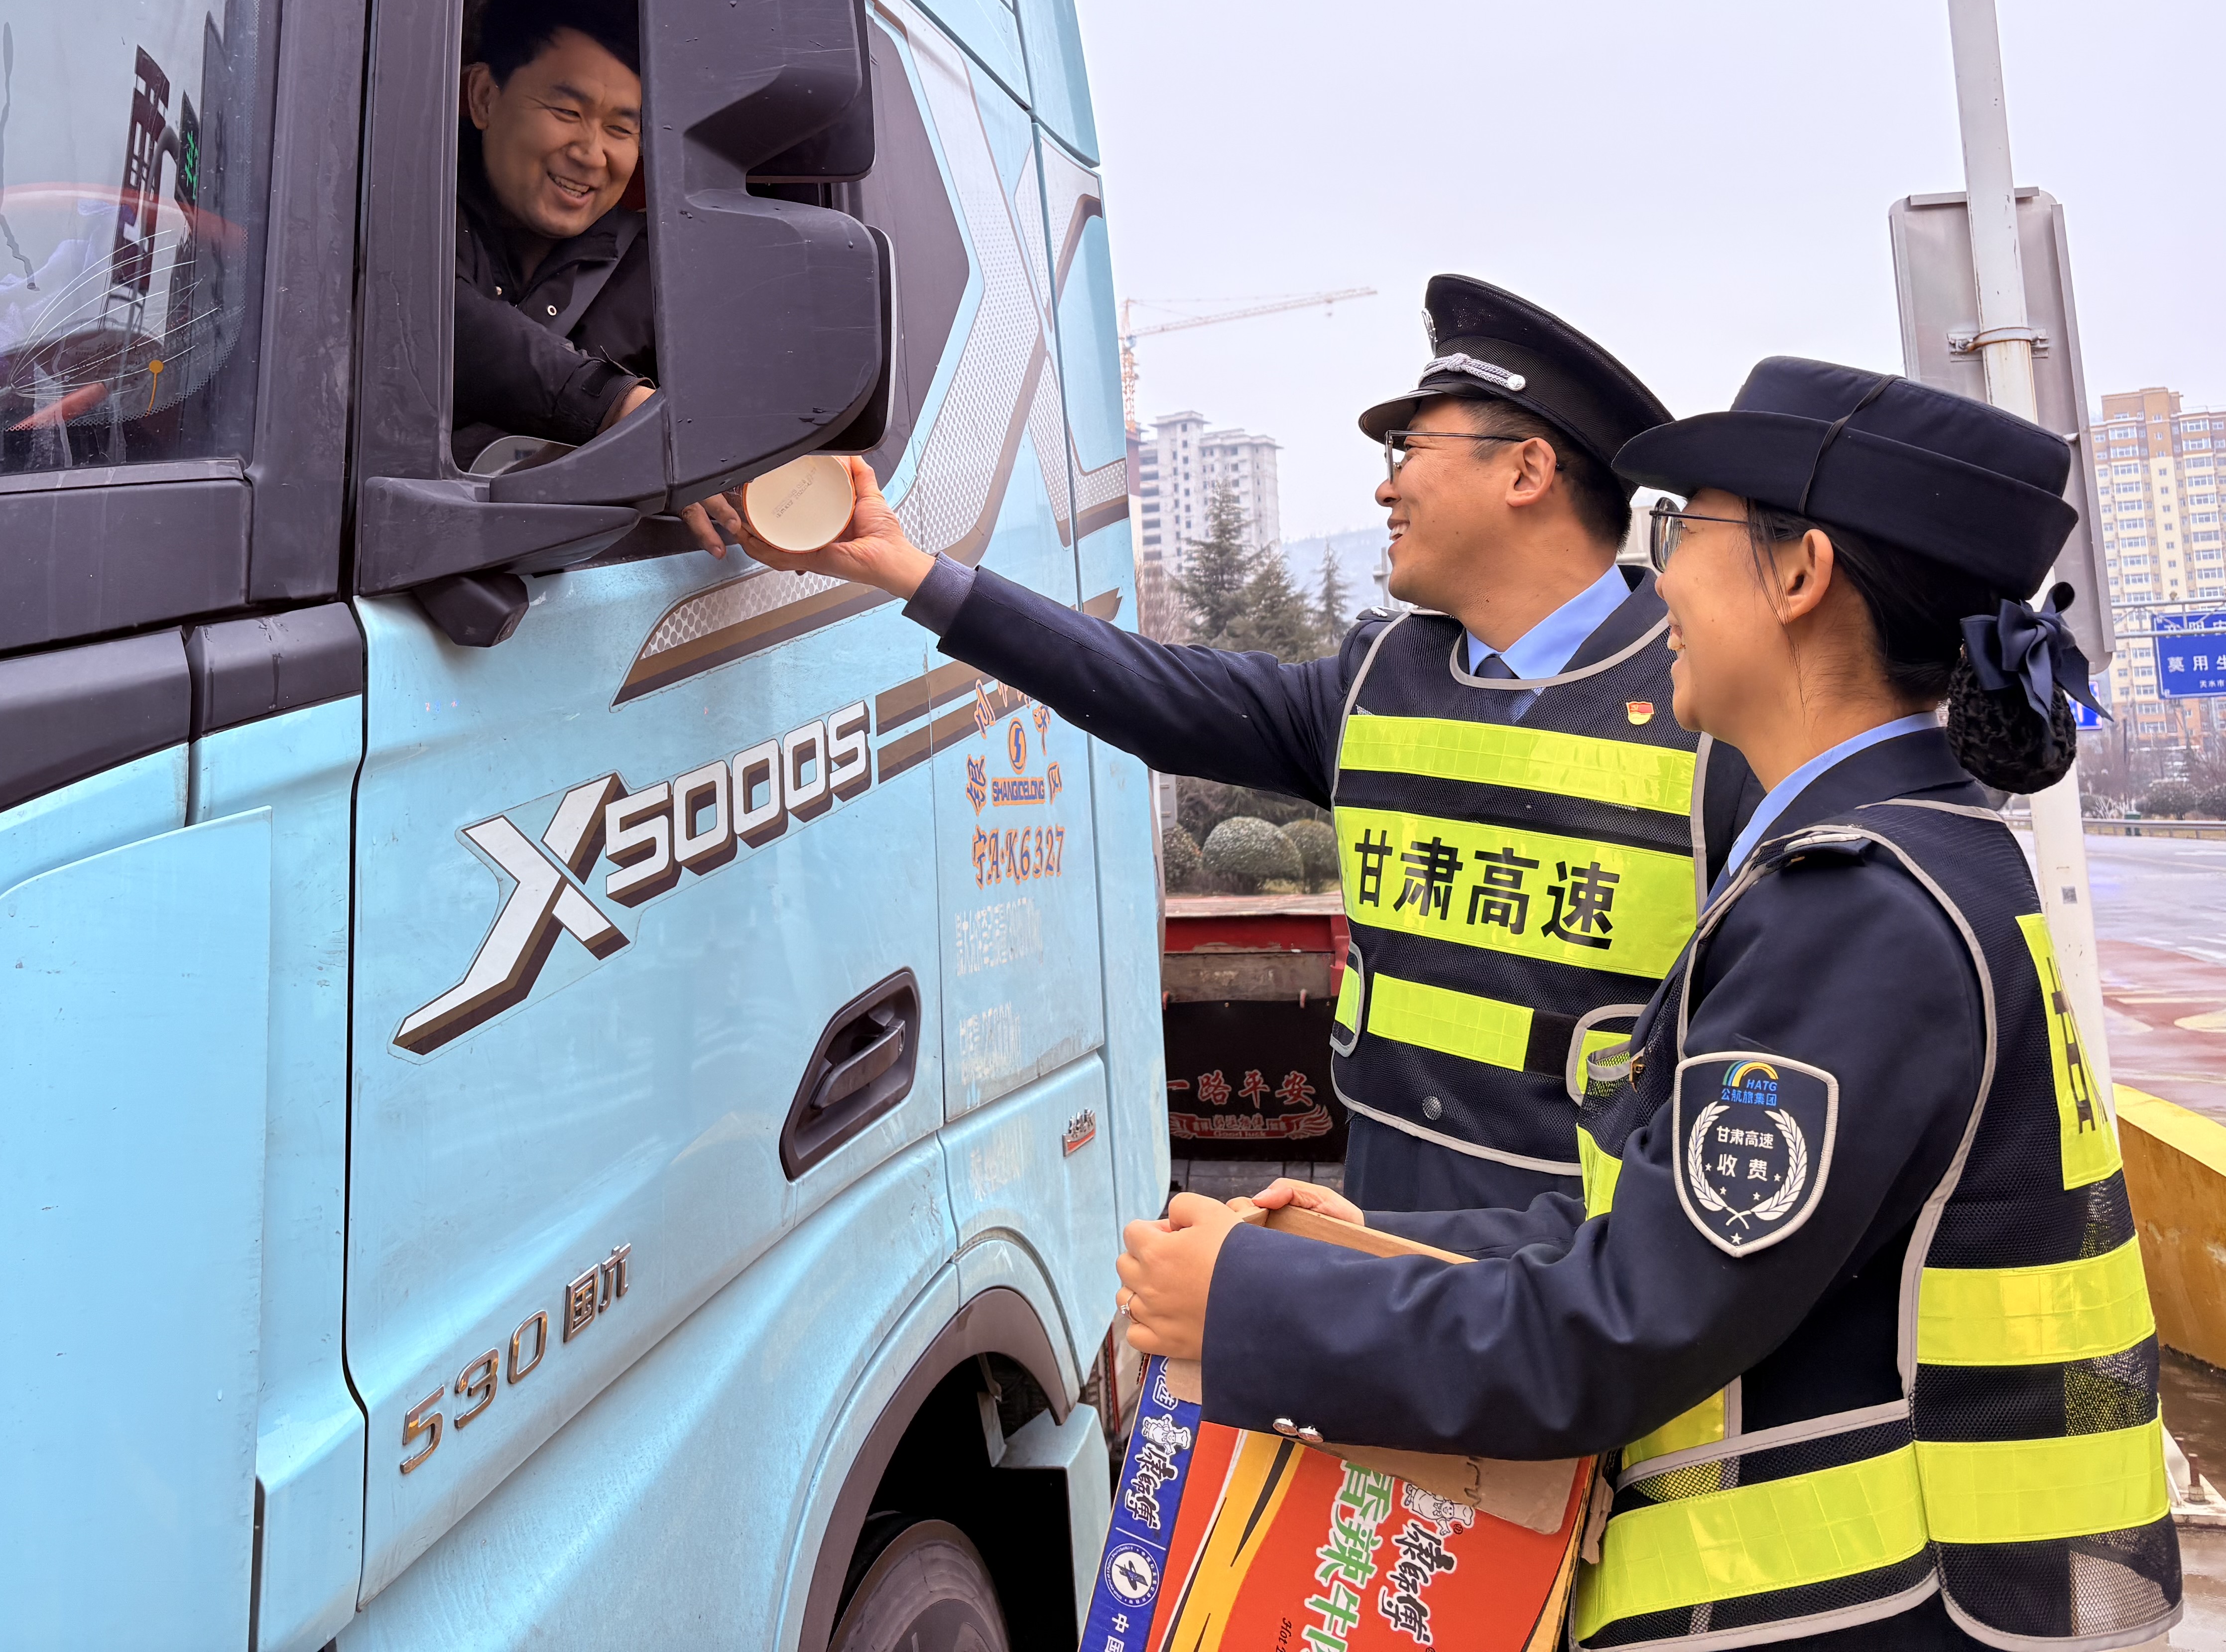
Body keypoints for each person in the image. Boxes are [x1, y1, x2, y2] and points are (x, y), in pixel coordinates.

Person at [1113, 358, 2181, 1652]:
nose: (1657, 582)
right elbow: (1672, 1225)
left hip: (1862, 1613)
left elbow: (1626, 1329)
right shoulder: (1913, 858)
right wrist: (1380, 1246)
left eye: (1688, 534)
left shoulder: (1855, 910)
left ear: (1800, 575)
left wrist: (1250, 1309)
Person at [730, 275, 1759, 1214]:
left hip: (1595, 1278)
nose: (1385, 489)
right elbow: (1152, 692)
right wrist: (915, 573)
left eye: (1411, 452)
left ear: (1527, 470)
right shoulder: (1377, 680)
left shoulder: (1713, 709)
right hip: (1378, 1232)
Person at [448, 0, 655, 465]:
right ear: (484, 97)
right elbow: (432, 312)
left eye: (620, 129)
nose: (592, 155)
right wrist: (613, 405)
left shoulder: (662, 275)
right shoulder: (402, 195)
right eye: (567, 112)